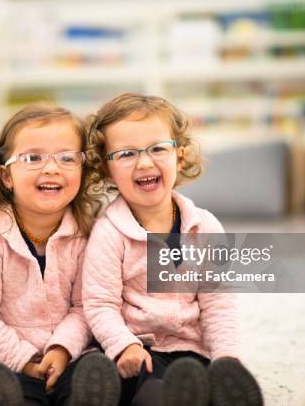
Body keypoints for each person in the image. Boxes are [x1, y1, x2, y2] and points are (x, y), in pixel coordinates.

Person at [82, 93, 263, 406]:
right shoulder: (109, 232)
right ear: (108, 170)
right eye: (126, 154)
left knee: (212, 382)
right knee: (143, 391)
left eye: (157, 149)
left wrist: (227, 358)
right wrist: (124, 345)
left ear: (179, 155)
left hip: (194, 352)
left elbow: (219, 305)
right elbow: (99, 305)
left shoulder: (205, 228)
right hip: (140, 351)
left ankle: (209, 391)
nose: (144, 162)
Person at [0, 103, 119, 406]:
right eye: (33, 158)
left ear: (82, 170)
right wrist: (23, 360)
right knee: (12, 390)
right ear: (7, 176)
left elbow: (85, 306)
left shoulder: (88, 235)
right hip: (8, 360)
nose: (51, 168)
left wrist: (61, 350)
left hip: (70, 356)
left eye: (66, 157)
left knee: (91, 375)